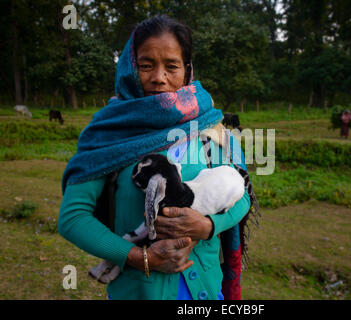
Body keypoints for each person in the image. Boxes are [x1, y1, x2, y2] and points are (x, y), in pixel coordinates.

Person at [58, 15, 259, 300]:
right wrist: (140, 257)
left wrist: (208, 226)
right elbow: (72, 217)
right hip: (137, 290)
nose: (158, 77)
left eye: (171, 66)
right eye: (146, 65)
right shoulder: (109, 133)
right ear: (130, 68)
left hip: (206, 291)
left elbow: (241, 197)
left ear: (187, 70)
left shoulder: (210, 127)